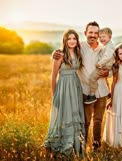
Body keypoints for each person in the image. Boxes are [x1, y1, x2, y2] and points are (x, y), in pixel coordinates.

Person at [53, 21, 109, 151]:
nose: (93, 35)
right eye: (90, 32)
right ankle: (82, 147)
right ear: (85, 33)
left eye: (96, 33)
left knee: (98, 120)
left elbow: (111, 67)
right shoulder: (80, 47)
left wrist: (108, 74)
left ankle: (96, 146)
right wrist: (56, 53)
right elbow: (67, 50)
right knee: (85, 121)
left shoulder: (104, 49)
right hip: (85, 91)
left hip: (102, 90)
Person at [44, 29, 85, 157]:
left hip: (75, 86)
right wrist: (54, 95)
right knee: (64, 115)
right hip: (63, 88)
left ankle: (76, 147)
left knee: (75, 115)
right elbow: (53, 76)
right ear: (65, 40)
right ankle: (63, 147)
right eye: (69, 39)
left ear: (77, 40)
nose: (72, 41)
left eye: (74, 38)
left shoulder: (78, 53)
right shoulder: (59, 55)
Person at [84, 27, 115, 104]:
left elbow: (107, 57)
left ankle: (92, 95)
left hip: (104, 66)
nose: (101, 39)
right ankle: (105, 94)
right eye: (100, 37)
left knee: (92, 77)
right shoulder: (105, 46)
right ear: (85, 33)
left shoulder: (109, 47)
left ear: (110, 37)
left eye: (103, 37)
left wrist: (99, 63)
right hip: (104, 66)